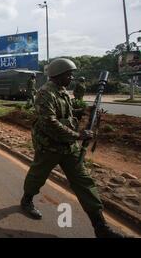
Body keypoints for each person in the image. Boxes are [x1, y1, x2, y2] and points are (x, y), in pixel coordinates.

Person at [20, 58, 125, 238]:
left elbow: (66, 114)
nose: (71, 77)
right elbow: (49, 123)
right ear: (58, 75)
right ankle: (27, 200)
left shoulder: (62, 91)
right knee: (37, 176)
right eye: (69, 74)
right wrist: (78, 135)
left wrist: (83, 112)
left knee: (84, 183)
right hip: (49, 147)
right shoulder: (45, 93)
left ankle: (101, 227)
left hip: (68, 147)